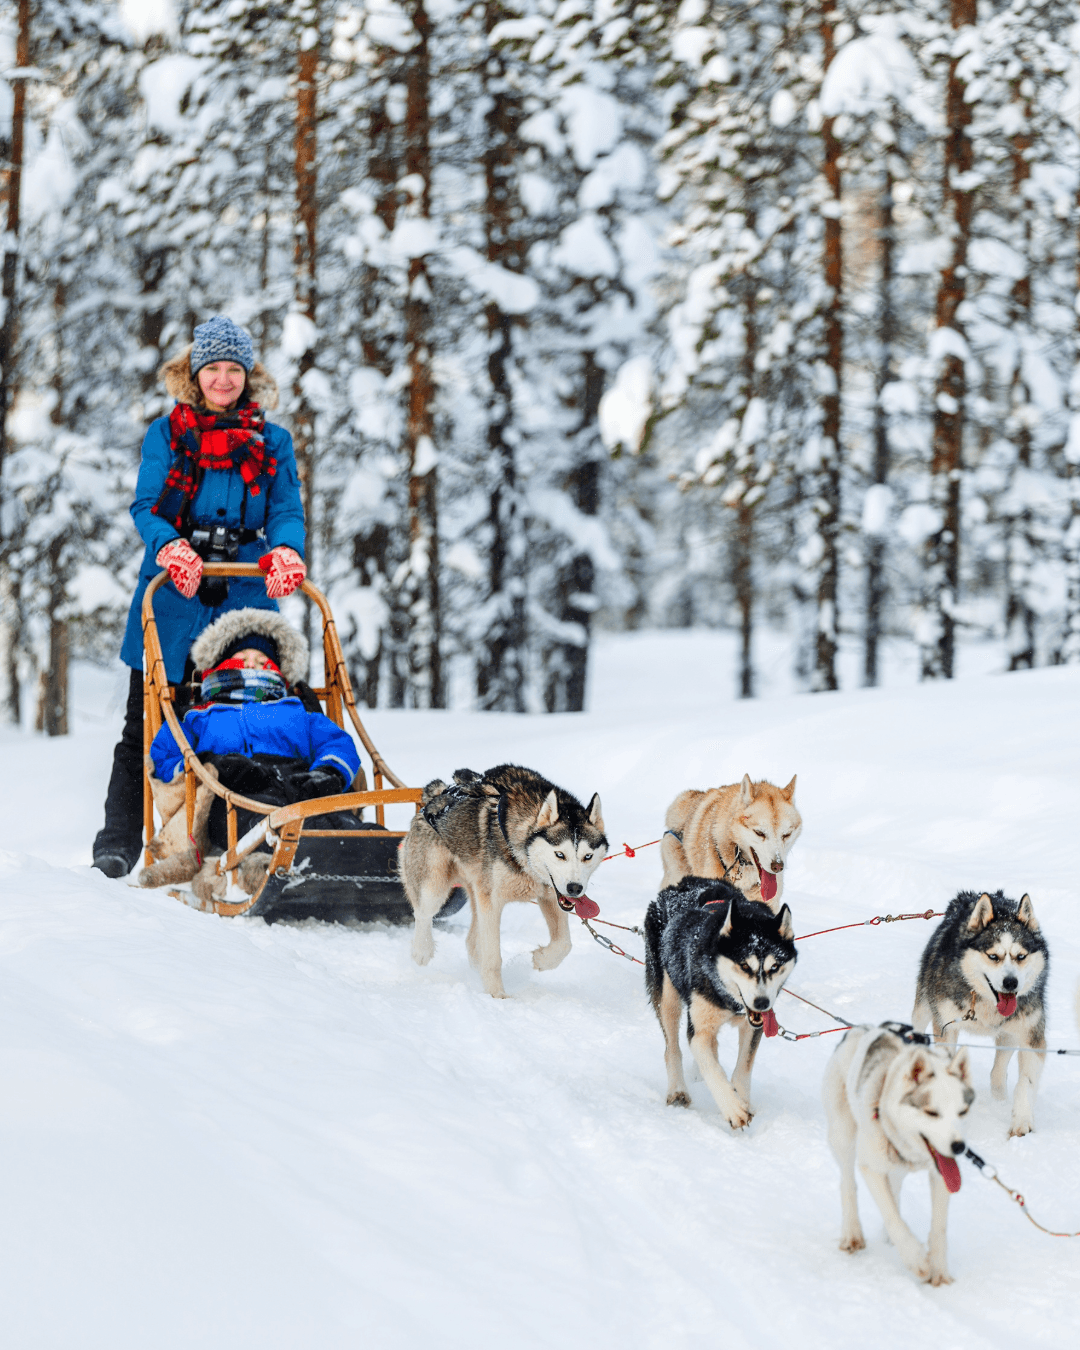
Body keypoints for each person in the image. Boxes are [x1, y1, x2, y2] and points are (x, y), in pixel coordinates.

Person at [93, 317, 307, 877]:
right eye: (212, 368)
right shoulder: (167, 434)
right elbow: (147, 507)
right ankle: (119, 844)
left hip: (244, 589)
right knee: (148, 718)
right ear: (194, 374)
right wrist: (172, 548)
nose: (222, 379)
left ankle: (254, 831)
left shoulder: (273, 441)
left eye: (233, 369)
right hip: (173, 594)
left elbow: (285, 509)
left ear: (247, 375)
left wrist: (285, 550)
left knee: (253, 710)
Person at [147, 609, 360, 855]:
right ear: (220, 665)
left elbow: (336, 743)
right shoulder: (198, 716)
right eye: (242, 657)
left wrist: (326, 771)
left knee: (337, 818)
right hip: (231, 794)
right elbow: (164, 754)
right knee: (264, 817)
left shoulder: (297, 711)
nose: (251, 665)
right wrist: (208, 765)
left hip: (297, 783)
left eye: (262, 661)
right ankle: (301, 853)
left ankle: (368, 847)